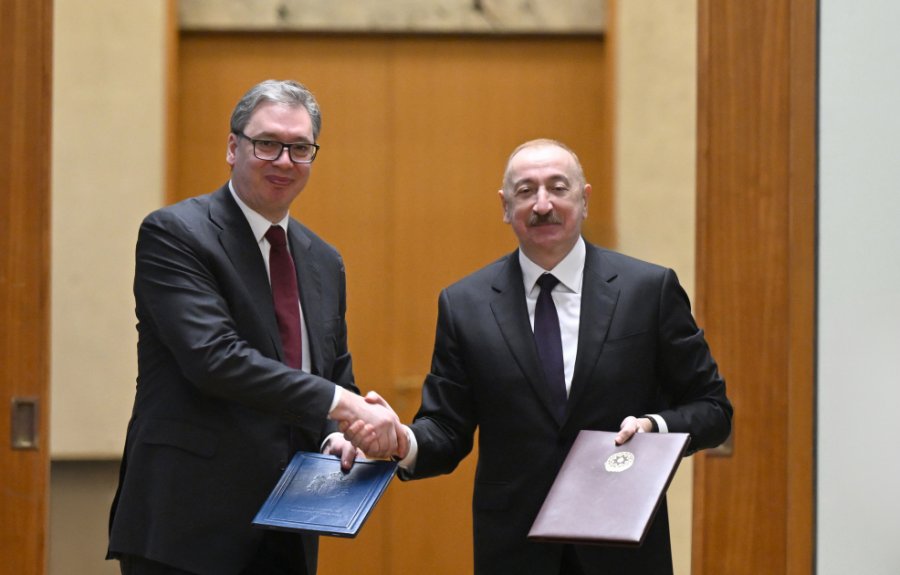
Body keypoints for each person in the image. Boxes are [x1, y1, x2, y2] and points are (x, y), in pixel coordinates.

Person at [346, 139, 733, 574]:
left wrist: (653, 428)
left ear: (584, 199)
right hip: (515, 550)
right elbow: (447, 427)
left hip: (622, 549)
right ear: (505, 206)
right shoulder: (466, 304)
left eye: (558, 188)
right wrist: (402, 441)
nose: (543, 205)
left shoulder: (648, 291)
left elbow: (713, 409)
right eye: (526, 191)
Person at [107, 79, 404, 575]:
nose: (284, 161)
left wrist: (339, 434)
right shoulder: (176, 234)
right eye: (267, 143)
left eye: (300, 148)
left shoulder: (323, 260)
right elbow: (215, 358)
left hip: (291, 523)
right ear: (233, 147)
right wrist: (341, 404)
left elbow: (333, 374)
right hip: (187, 524)